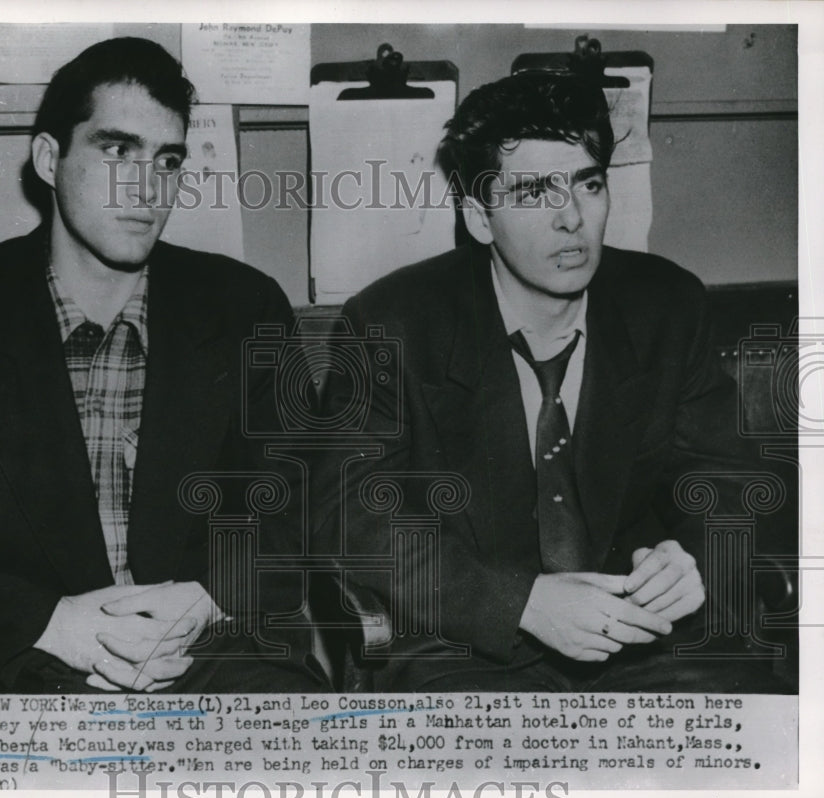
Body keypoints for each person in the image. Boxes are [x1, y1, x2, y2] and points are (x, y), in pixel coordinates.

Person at [0, 38, 324, 693]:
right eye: (116, 150)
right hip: (15, 660)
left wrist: (209, 598)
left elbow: (302, 507)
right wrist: (49, 622)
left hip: (211, 655)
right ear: (50, 159)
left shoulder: (245, 307)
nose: (146, 187)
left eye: (167, 160)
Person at [314, 70, 788, 692]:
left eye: (587, 184)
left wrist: (691, 557)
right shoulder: (391, 324)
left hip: (647, 635)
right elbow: (344, 515)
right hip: (467, 646)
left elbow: (730, 479)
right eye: (535, 191)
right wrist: (522, 603)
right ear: (480, 217)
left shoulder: (666, 305)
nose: (570, 218)